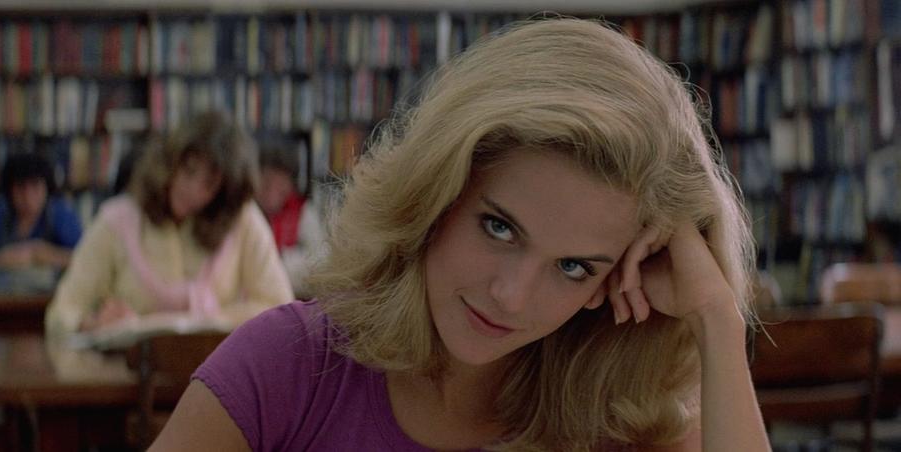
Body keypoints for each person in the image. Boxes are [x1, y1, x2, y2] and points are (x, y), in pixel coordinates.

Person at [150, 18, 770, 451]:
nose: (511, 296)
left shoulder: (621, 416)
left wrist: (717, 320)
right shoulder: (291, 365)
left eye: (574, 267)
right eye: (499, 228)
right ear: (435, 194)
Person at [45, 111, 293, 339]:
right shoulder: (117, 219)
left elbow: (280, 309)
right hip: (133, 367)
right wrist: (92, 324)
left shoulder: (241, 218)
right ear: (170, 161)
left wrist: (216, 320)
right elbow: (61, 314)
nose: (192, 189)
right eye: (189, 171)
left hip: (219, 364)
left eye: (209, 184)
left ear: (224, 191)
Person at [255, 145, 326, 298]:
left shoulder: (304, 212)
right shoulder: (246, 213)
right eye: (267, 182)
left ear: (290, 185)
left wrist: (278, 262)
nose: (272, 190)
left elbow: (319, 266)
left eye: (280, 183)